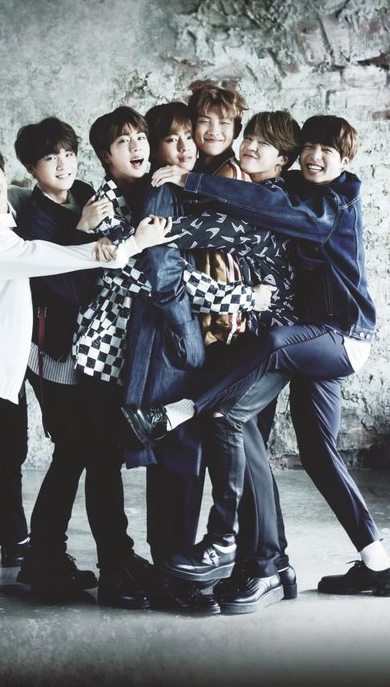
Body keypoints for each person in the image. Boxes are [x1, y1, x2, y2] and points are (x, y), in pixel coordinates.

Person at [122, 114, 390, 602]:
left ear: (346, 160)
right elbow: (254, 197)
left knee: (256, 371)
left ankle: (185, 420)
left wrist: (187, 181)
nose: (315, 157)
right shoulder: (294, 186)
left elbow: (264, 210)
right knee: (317, 452)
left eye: (328, 151)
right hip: (313, 340)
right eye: (309, 147)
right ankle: (378, 562)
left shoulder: (334, 201)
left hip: (340, 336)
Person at [0, 137, 174, 626]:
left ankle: (18, 543)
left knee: (11, 454)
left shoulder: (6, 201)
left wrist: (53, 192)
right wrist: (132, 245)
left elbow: (26, 194)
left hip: (11, 369)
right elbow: (45, 256)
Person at [73, 105, 272, 613]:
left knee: (175, 454)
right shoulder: (108, 204)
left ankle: (171, 568)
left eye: (140, 137)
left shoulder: (158, 192)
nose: (137, 147)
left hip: (156, 351)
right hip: (107, 355)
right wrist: (244, 298)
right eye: (125, 142)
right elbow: (160, 277)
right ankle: (116, 567)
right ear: (105, 156)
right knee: (105, 462)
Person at [134, 106, 301, 613]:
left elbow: (203, 236)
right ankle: (247, 562)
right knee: (212, 449)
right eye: (186, 132)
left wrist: (135, 233)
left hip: (256, 338)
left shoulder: (253, 190)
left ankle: (257, 559)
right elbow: (171, 260)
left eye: (224, 126)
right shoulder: (192, 182)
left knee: (238, 438)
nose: (204, 137)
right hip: (210, 340)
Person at [11, 116, 162, 609]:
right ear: (32, 168)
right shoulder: (36, 217)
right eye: (50, 158)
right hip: (55, 351)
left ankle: (55, 557)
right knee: (78, 451)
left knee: (86, 453)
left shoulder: (83, 193)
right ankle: (50, 558)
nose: (63, 164)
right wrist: (79, 232)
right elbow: (64, 289)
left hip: (85, 349)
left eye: (68, 154)